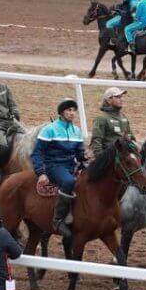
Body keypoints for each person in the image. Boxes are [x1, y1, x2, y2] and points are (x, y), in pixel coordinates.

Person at [31, 99, 88, 239]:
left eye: (74, 110)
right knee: (69, 182)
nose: (72, 113)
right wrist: (40, 173)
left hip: (71, 165)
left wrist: (86, 157)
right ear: (61, 113)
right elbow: (36, 153)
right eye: (69, 110)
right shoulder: (50, 129)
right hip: (54, 166)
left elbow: (79, 154)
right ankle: (58, 220)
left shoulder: (77, 131)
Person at [91, 87, 135, 156]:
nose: (121, 99)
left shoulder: (124, 117)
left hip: (124, 157)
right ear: (109, 100)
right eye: (117, 97)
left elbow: (131, 137)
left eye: (121, 97)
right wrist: (101, 159)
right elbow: (96, 141)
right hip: (109, 158)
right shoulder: (101, 118)